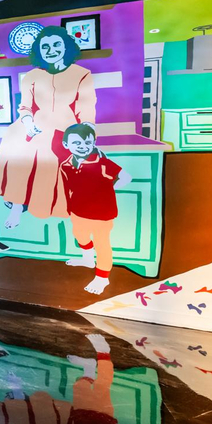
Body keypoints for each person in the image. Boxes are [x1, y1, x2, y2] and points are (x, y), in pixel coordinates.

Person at [0, 25, 96, 228]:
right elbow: (25, 107)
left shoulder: (82, 74)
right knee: (17, 148)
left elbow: (86, 106)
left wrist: (86, 130)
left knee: (49, 150)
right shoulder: (31, 76)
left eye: (56, 45)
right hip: (34, 123)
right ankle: (17, 205)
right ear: (39, 50)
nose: (51, 50)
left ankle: (52, 205)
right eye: (45, 46)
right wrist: (28, 123)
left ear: (66, 46)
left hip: (67, 124)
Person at [60, 123, 131, 295]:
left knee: (101, 243)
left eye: (87, 143)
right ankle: (87, 260)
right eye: (77, 143)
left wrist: (109, 189)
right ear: (66, 144)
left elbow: (126, 177)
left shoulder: (103, 163)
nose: (83, 146)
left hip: (102, 214)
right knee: (79, 235)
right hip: (78, 210)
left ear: (93, 143)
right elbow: (67, 187)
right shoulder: (66, 165)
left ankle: (102, 277)